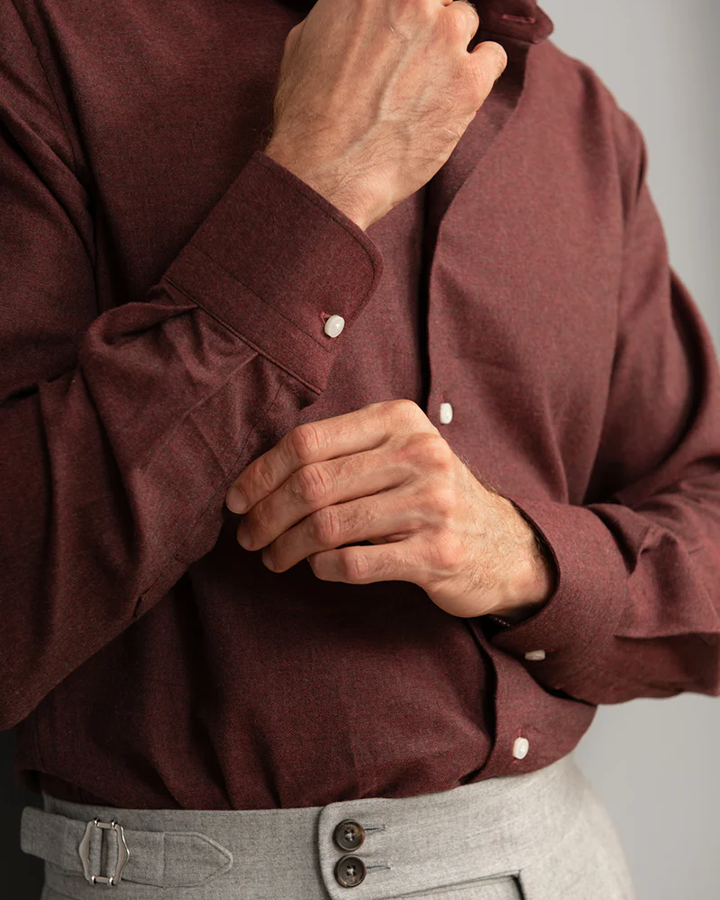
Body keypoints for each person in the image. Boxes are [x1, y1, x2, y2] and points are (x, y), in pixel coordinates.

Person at [2, 0, 718, 897]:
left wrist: (530, 558)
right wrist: (320, 187)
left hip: (559, 860)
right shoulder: (47, 43)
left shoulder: (585, 123)